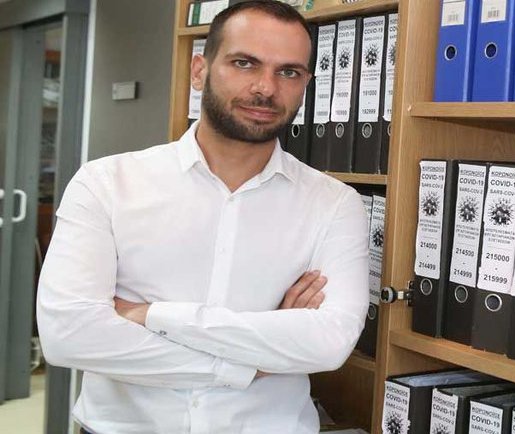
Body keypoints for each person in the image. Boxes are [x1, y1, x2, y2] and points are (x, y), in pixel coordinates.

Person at [36, 1, 370, 433]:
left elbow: (329, 344)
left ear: (306, 84)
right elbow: (69, 336)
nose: (266, 88)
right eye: (244, 63)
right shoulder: (105, 184)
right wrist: (255, 359)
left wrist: (152, 315)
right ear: (199, 70)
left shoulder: (335, 204)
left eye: (288, 72)